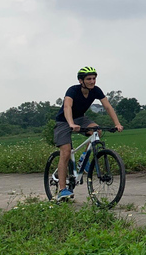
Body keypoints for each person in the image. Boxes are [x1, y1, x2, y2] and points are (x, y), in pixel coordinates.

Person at [52, 66, 123, 201]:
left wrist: (117, 123)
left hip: (80, 119)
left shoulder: (96, 91)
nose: (92, 81)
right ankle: (62, 190)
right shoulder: (73, 90)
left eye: (94, 78)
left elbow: (107, 106)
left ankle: (82, 159)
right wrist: (71, 124)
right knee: (66, 152)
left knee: (97, 130)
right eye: (89, 79)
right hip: (63, 121)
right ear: (81, 81)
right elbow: (67, 106)